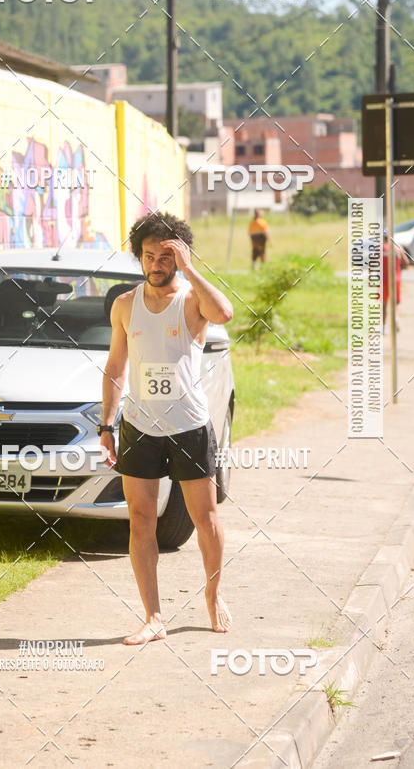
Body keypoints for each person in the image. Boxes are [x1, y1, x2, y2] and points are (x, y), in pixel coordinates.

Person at [100, 211, 234, 645]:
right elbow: (115, 368)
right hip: (139, 427)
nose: (156, 264)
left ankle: (213, 594)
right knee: (141, 520)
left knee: (205, 519)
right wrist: (106, 425)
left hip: (189, 426)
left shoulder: (192, 300)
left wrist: (191, 268)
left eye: (165, 256)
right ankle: (153, 617)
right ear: (138, 257)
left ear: (179, 257)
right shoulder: (125, 305)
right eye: (149, 256)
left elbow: (225, 313)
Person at [383, 228, 406, 332]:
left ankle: (383, 327)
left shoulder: (380, 248)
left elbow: (373, 265)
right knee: (396, 302)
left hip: (383, 280)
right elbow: (406, 262)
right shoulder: (398, 248)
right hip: (395, 279)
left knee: (384, 304)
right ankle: (396, 318)